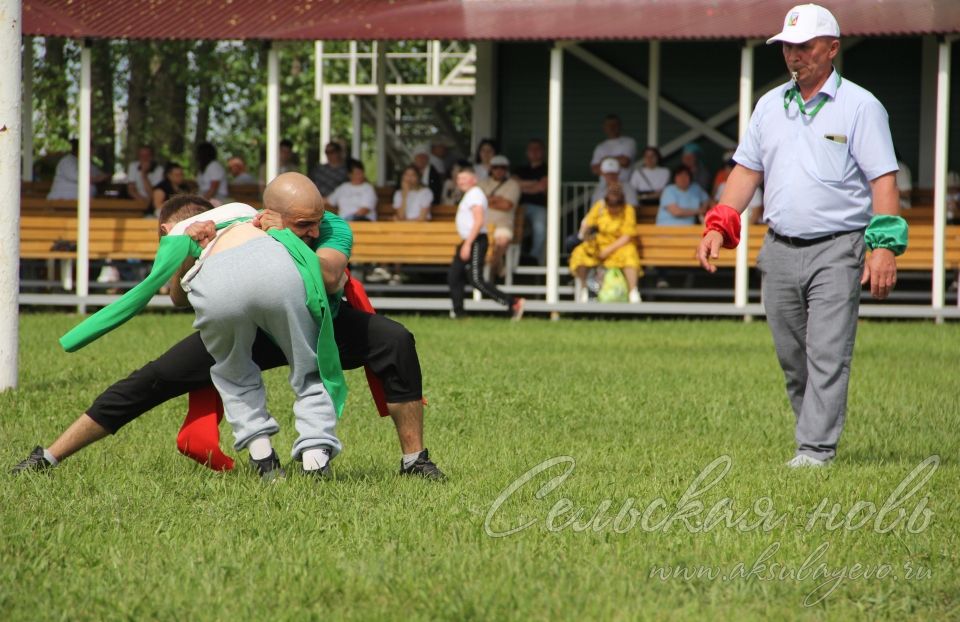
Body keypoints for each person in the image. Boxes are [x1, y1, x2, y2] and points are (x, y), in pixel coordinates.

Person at [12, 172, 445, 480]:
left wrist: (286, 238)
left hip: (312, 322)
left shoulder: (332, 227)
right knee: (153, 379)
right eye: (302, 225)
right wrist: (195, 248)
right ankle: (48, 456)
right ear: (270, 212)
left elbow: (329, 276)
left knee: (394, 340)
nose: (314, 230)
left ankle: (414, 460)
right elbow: (181, 297)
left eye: (317, 220)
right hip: (248, 326)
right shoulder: (242, 228)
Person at [696, 4, 905, 468]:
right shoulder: (769, 105)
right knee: (793, 358)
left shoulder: (861, 106)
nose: (795, 55)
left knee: (827, 351)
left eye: (805, 46)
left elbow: (884, 182)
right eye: (788, 46)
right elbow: (745, 171)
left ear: (832, 48)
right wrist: (720, 224)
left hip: (839, 248)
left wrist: (884, 248)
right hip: (779, 249)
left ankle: (814, 449)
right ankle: (810, 438)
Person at [162, 195, 342, 480]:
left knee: (233, 374)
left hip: (216, 282)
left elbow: (177, 298)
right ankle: (315, 461)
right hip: (275, 271)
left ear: (164, 228)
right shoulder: (247, 212)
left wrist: (187, 250)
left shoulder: (177, 234)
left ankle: (265, 462)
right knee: (309, 365)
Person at [447, 166, 525, 320]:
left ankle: (513, 302)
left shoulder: (475, 194)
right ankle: (459, 314)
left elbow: (479, 220)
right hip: (468, 240)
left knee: (477, 280)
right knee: (454, 276)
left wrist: (468, 244)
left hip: (475, 240)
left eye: (464, 178)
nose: (460, 182)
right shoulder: (469, 195)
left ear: (474, 179)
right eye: (458, 179)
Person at [570, 184, 642, 304]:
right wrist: (585, 234)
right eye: (610, 206)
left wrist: (607, 251)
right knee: (579, 253)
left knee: (630, 254)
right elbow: (587, 224)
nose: (613, 210)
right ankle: (584, 290)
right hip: (600, 243)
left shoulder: (628, 210)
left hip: (620, 245)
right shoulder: (600, 207)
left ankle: (633, 291)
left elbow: (628, 236)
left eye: (616, 207)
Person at [479, 155, 522, 281]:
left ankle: (490, 271)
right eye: (495, 167)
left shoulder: (513, 185)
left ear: (507, 169)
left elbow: (507, 205)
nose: (499, 170)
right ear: (490, 169)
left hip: (503, 225)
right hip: (483, 226)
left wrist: (488, 199)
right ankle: (497, 270)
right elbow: (478, 203)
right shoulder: (482, 183)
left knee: (502, 240)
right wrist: (498, 200)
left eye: (502, 167)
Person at [512, 138, 548, 265]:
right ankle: (514, 259)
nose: (534, 152)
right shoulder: (520, 169)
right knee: (512, 229)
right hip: (519, 207)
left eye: (537, 149)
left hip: (539, 206)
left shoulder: (547, 168)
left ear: (543, 151)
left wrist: (522, 186)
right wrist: (534, 184)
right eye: (531, 149)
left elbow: (542, 187)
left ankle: (533, 259)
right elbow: (514, 184)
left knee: (540, 229)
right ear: (527, 152)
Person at [590, 114, 636, 186]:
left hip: (624, 185)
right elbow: (594, 169)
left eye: (614, 125)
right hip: (604, 186)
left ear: (620, 126)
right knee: (598, 197)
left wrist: (604, 160)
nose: (612, 127)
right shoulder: (600, 147)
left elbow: (625, 162)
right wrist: (617, 159)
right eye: (609, 125)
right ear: (604, 127)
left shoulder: (628, 142)